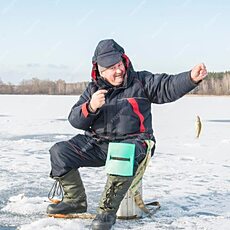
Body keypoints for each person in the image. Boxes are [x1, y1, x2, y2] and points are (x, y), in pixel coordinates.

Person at [46, 39, 207, 229]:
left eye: (119, 64)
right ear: (100, 70)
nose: (118, 70)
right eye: (111, 67)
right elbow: (75, 120)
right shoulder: (93, 90)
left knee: (122, 152)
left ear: (125, 61)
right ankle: (75, 201)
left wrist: (190, 78)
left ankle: (106, 212)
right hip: (99, 144)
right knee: (60, 151)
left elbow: (168, 86)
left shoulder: (142, 81)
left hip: (136, 143)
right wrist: (90, 107)